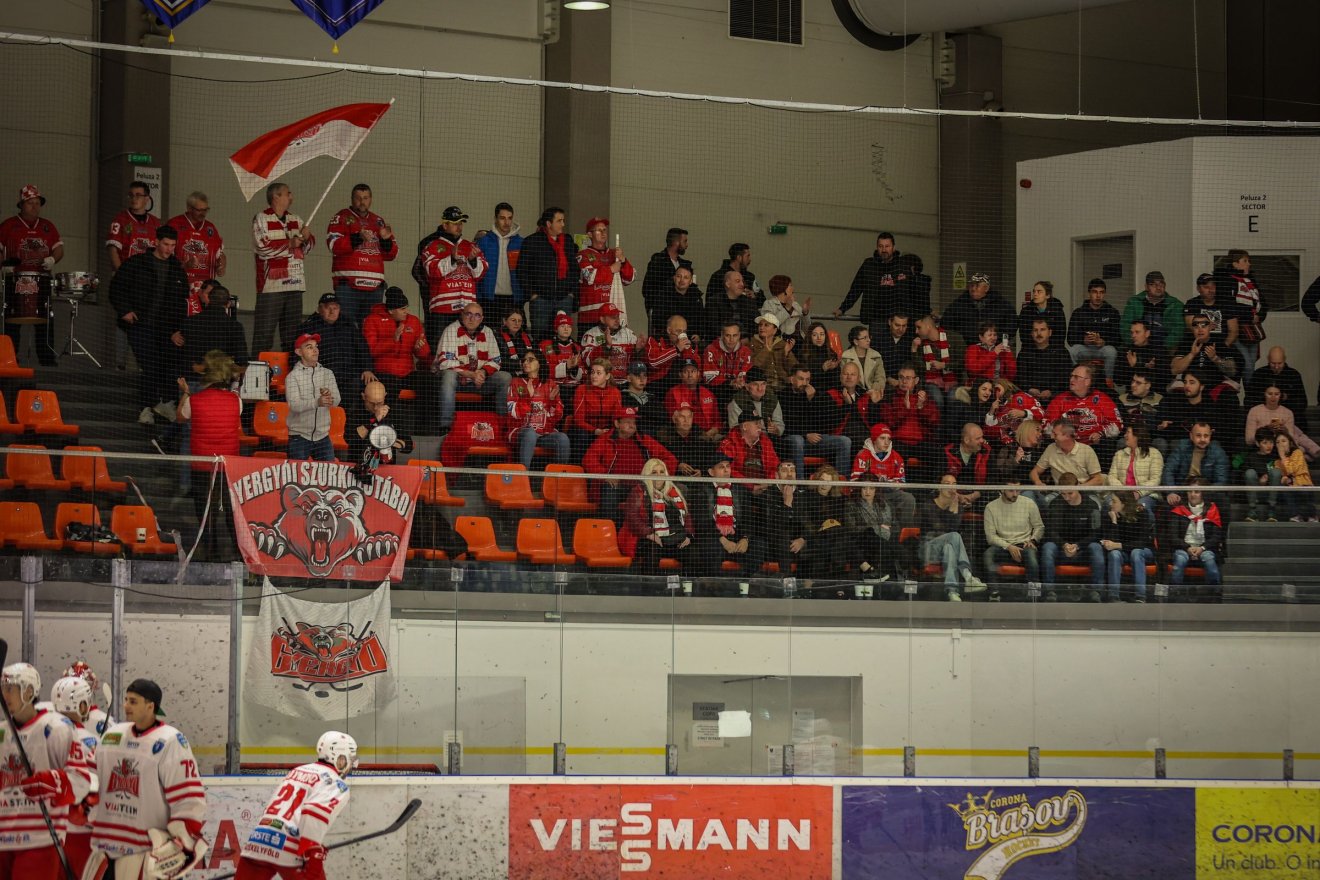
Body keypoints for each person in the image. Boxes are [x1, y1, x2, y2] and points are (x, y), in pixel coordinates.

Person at [87, 678, 207, 880]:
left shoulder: (171, 741)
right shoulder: (111, 735)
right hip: (105, 852)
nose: (126, 705)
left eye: (133, 701)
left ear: (150, 706)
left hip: (144, 855)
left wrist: (181, 843)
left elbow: (189, 799)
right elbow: (90, 781)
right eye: (126, 700)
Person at [0, 663, 94, 880]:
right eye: (3, 688)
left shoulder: (57, 728)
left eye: (11, 688)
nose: (5, 694)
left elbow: (81, 781)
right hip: (3, 838)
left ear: (29, 691)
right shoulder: (2, 732)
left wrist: (54, 782)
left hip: (40, 839)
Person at [235, 732, 357, 880]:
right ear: (339, 758)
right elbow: (312, 813)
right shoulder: (337, 784)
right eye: (349, 758)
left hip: (259, 840)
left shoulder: (297, 770)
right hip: (290, 848)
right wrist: (312, 849)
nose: (351, 764)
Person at [109, 224, 192, 424]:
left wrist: (175, 330)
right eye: (165, 244)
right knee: (150, 364)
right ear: (156, 242)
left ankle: (163, 404)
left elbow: (181, 304)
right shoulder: (137, 263)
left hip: (165, 329)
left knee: (167, 365)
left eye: (173, 245)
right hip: (140, 324)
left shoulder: (177, 270)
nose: (169, 249)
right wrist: (125, 311)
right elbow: (116, 288)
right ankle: (148, 407)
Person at [175, 351, 242, 558]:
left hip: (202, 466)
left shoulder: (194, 400)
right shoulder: (236, 400)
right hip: (228, 466)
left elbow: (180, 418)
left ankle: (212, 556)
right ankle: (240, 555)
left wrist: (186, 392)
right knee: (231, 513)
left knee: (206, 513)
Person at [1, 184, 63, 365]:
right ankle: (10, 359)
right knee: (11, 320)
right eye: (30, 203)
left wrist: (52, 259)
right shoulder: (8, 226)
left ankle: (46, 359)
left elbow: (59, 250)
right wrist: (3, 266)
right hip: (15, 279)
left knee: (45, 321)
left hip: (41, 279)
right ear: (21, 204)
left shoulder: (47, 226)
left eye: (38, 203)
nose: (35, 206)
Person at [252, 181, 314, 354]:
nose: (291, 196)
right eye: (288, 193)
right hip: (271, 287)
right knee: (264, 335)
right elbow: (262, 247)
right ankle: (257, 374)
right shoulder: (261, 218)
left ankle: (290, 376)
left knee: (293, 336)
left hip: (295, 284)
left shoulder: (296, 219)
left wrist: (307, 239)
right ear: (275, 196)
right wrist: (290, 243)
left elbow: (308, 247)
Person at [48, 675, 100, 878]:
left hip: (46, 832)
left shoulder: (41, 735)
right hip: (81, 834)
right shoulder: (93, 742)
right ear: (84, 706)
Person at [583, 407, 676, 517]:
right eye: (627, 422)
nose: (632, 425)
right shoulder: (605, 439)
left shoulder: (644, 440)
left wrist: (657, 477)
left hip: (641, 486)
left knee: (676, 489)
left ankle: (660, 530)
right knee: (609, 488)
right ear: (617, 423)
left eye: (633, 422)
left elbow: (670, 459)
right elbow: (588, 459)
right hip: (617, 487)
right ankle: (608, 529)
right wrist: (606, 475)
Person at [326, 182, 397, 326]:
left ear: (371, 199)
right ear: (352, 198)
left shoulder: (378, 221)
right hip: (348, 287)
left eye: (365, 198)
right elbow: (333, 245)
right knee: (346, 328)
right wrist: (358, 237)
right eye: (358, 198)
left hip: (374, 287)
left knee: (370, 329)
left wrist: (385, 240)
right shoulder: (341, 217)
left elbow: (392, 254)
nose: (362, 201)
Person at [432, 303, 509, 433]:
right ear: (462, 315)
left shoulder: (488, 332)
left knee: (505, 377)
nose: (472, 319)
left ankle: (502, 424)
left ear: (482, 318)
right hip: (456, 382)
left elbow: (496, 360)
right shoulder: (451, 330)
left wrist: (482, 372)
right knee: (449, 375)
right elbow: (444, 362)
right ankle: (446, 426)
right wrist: (470, 374)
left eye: (477, 315)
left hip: (479, 382)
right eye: (469, 314)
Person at [416, 206, 488, 343]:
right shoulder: (432, 245)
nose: (459, 227)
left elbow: (481, 273)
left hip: (467, 310)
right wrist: (452, 258)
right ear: (445, 225)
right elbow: (431, 270)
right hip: (442, 310)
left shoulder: (469, 245)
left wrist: (472, 260)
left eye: (461, 223)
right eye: (455, 223)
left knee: (465, 349)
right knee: (441, 350)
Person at [362, 287, 429, 426]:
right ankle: (386, 424)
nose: (407, 311)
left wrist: (420, 347)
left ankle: (425, 427)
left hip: (407, 372)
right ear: (391, 310)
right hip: (383, 373)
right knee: (392, 385)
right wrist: (393, 339)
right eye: (402, 309)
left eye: (406, 308)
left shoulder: (414, 321)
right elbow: (369, 350)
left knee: (429, 382)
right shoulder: (372, 320)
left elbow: (424, 354)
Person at [918, 474, 989, 600]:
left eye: (954, 484)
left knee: (949, 549)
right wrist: (951, 512)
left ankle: (952, 592)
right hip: (928, 550)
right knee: (954, 537)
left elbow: (952, 535)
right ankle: (968, 576)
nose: (951, 487)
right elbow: (939, 529)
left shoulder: (957, 507)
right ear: (939, 487)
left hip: (945, 551)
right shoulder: (928, 505)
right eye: (947, 484)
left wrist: (955, 510)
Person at [836, 232, 924, 332]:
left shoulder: (903, 266)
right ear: (877, 247)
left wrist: (926, 312)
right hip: (876, 319)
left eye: (887, 246)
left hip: (899, 320)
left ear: (893, 247)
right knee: (876, 347)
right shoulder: (868, 265)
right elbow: (855, 289)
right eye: (881, 246)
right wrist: (842, 309)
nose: (884, 250)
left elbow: (915, 292)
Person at [622, 458, 696, 573]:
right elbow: (632, 517)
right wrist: (649, 534)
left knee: (693, 554)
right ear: (647, 474)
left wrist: (688, 535)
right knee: (651, 552)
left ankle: (687, 587)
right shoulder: (638, 491)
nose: (659, 475)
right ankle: (651, 589)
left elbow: (686, 515)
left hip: (675, 537)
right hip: (649, 538)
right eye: (654, 472)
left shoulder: (675, 491)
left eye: (662, 472)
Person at [517, 206, 579, 339]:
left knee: (564, 336)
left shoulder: (567, 241)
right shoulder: (532, 241)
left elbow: (574, 269)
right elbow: (522, 270)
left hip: (564, 298)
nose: (563, 224)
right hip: (541, 300)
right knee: (540, 337)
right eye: (559, 221)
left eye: (563, 220)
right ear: (549, 223)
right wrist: (532, 294)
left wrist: (571, 293)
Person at [1041, 474, 1105, 600]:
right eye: (1063, 494)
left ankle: (1096, 591)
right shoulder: (1055, 504)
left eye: (1070, 493)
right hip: (1061, 550)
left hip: (1083, 550)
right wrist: (1064, 545)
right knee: (1048, 547)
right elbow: (1051, 531)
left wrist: (1078, 545)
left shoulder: (1091, 505)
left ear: (1078, 487)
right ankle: (1049, 591)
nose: (1067, 498)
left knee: (1096, 548)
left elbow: (1096, 533)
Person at [781, 365, 851, 476]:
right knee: (797, 440)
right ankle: (799, 485)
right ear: (791, 379)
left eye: (807, 379)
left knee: (844, 441)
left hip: (813, 441)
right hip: (792, 440)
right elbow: (785, 424)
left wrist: (812, 399)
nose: (804, 383)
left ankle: (842, 486)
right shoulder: (782, 395)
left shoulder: (814, 395)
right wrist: (805, 434)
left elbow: (825, 422)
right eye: (801, 379)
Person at [696, 454, 761, 575]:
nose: (726, 470)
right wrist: (723, 540)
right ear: (711, 472)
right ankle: (714, 587)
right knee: (711, 547)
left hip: (736, 535)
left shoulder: (740, 490)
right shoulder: (702, 491)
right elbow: (702, 521)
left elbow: (749, 519)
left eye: (728, 466)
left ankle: (745, 584)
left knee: (759, 546)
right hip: (714, 536)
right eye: (721, 467)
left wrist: (745, 539)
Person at [295, 291, 374, 389]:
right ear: (319, 309)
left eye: (335, 308)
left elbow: (362, 348)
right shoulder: (309, 327)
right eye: (328, 308)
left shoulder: (349, 324)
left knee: (371, 386)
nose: (332, 312)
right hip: (322, 375)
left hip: (350, 375)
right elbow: (300, 354)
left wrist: (367, 369)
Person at [504, 349, 568, 468]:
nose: (525, 363)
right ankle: (523, 478)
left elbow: (557, 417)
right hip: (520, 433)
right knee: (530, 433)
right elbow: (512, 412)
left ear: (540, 363)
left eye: (531, 360)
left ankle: (557, 481)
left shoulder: (550, 384)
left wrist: (553, 402)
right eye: (524, 360)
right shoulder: (515, 382)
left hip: (543, 433)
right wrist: (528, 397)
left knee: (562, 438)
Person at [166, 190, 226, 313]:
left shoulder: (211, 228)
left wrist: (222, 265)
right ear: (189, 208)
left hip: (206, 289)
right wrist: (184, 265)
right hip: (179, 286)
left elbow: (221, 253)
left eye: (206, 209)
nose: (203, 213)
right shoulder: (174, 224)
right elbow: (163, 256)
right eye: (199, 210)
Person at [1215, 249, 1267, 386]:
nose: (1249, 264)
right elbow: (1228, 306)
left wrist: (1259, 315)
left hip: (1252, 331)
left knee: (1251, 365)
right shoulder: (1226, 281)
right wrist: (1250, 316)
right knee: (1247, 365)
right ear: (1235, 263)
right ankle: (1248, 396)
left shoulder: (1251, 281)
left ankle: (1249, 398)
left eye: (1249, 261)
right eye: (1245, 261)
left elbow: (1264, 303)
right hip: (1236, 332)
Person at [286, 333, 342, 461]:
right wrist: (317, 402)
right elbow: (294, 405)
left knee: (327, 477)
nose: (315, 350)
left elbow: (337, 401)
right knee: (297, 478)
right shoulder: (292, 376)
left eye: (316, 346)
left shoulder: (328, 373)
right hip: (298, 437)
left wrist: (330, 397)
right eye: (309, 347)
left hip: (323, 437)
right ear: (299, 352)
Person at [577, 217, 634, 332]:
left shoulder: (614, 254)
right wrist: (611, 269)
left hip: (612, 317)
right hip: (590, 317)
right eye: (599, 230)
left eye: (605, 230)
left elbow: (629, 279)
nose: (603, 233)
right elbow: (590, 277)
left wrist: (623, 260)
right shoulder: (583, 255)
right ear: (589, 234)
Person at [1043, 364, 1123, 446]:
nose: (1071, 380)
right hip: (1064, 447)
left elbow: (1117, 426)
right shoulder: (1059, 400)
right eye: (1071, 376)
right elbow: (1046, 427)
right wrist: (1062, 433)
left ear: (1087, 381)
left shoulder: (1103, 399)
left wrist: (1101, 433)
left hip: (1095, 448)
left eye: (1076, 377)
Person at [982, 480, 1044, 583]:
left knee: (1032, 559)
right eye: (1011, 491)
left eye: (1018, 490)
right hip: (1003, 546)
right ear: (1002, 489)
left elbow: (1039, 526)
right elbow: (990, 537)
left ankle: (1034, 595)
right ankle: (994, 592)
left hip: (1024, 545)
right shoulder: (990, 507)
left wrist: (1032, 540)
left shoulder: (1029, 503)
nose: (1015, 494)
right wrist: (1009, 546)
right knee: (988, 555)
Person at [1167, 477, 1224, 589]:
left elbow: (1216, 536)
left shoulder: (1212, 510)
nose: (1192, 494)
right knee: (1179, 561)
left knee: (1210, 561)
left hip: (1205, 549)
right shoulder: (1179, 510)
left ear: (1203, 493)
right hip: (1183, 548)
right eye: (1190, 491)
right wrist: (1187, 547)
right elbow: (1172, 536)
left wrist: (1202, 548)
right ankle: (1175, 594)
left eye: (1196, 492)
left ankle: (1214, 594)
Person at [1100, 491, 1157, 603]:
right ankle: (1113, 597)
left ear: (1124, 503)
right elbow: (1111, 543)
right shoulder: (1111, 514)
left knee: (1136, 553)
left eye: (1114, 501)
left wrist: (1117, 545)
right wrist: (1114, 522)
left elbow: (1141, 543)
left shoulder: (1142, 513)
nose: (1111, 504)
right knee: (1114, 554)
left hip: (1144, 552)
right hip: (1124, 552)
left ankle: (1140, 596)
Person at [878, 365, 939, 466]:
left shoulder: (924, 398)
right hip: (898, 442)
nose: (904, 381)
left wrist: (921, 407)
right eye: (901, 377)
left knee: (938, 454)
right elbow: (888, 423)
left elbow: (934, 422)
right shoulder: (890, 397)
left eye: (908, 378)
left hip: (921, 443)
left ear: (916, 380)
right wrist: (905, 409)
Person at [181, 281, 250, 370]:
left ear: (209, 299)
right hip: (221, 380)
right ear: (228, 303)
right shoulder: (235, 327)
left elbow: (184, 356)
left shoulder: (190, 322)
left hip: (191, 378)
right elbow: (242, 360)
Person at [846, 474, 902, 582]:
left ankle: (886, 580)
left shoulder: (885, 504)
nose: (868, 492)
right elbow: (851, 528)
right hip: (861, 541)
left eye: (871, 488)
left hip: (884, 540)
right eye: (864, 488)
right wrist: (876, 527)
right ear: (859, 489)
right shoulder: (851, 504)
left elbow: (896, 526)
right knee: (872, 534)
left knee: (887, 546)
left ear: (876, 489)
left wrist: (886, 529)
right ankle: (892, 582)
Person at [1066, 278, 1122, 384]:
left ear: (1104, 294)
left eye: (1101, 292)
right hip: (1084, 348)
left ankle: (1108, 382)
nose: (1098, 296)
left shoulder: (1112, 312)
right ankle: (1075, 380)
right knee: (1071, 351)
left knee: (1111, 351)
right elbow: (1070, 338)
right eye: (1095, 292)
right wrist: (1084, 340)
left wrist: (1103, 341)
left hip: (1103, 348)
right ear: (1089, 294)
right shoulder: (1079, 312)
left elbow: (1118, 338)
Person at [1162, 422, 1230, 507]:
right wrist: (1171, 492)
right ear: (1191, 436)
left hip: (1206, 491)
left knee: (1223, 500)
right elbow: (1168, 470)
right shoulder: (1181, 447)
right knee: (1167, 504)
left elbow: (1221, 481)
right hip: (1183, 490)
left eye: (1206, 436)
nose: (1202, 439)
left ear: (1210, 436)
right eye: (1198, 435)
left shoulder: (1218, 452)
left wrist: (1203, 493)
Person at [475, 202, 525, 315]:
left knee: (516, 331)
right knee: (489, 331)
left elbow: (527, 271)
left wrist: (524, 295)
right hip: (489, 298)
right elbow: (476, 271)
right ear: (495, 218)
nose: (506, 222)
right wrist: (478, 296)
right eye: (502, 218)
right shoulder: (484, 242)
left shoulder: (521, 243)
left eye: (509, 218)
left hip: (515, 298)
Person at [1244, 384, 1320, 459]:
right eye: (1270, 394)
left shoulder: (1287, 412)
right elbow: (1249, 440)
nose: (1273, 397)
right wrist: (1267, 429)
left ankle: (1306, 452)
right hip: (1264, 445)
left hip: (1283, 443)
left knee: (1296, 432)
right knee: (1298, 436)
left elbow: (1291, 438)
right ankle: (1310, 452)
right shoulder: (1255, 411)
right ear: (1264, 394)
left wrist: (1285, 431)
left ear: (1281, 396)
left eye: (1276, 394)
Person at [641, 227, 694, 335]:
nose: (687, 245)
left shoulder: (685, 264)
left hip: (684, 312)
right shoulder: (658, 262)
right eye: (685, 241)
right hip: (663, 314)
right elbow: (647, 289)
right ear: (676, 242)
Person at [1245, 346, 1309, 434]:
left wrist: (1285, 403)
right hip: (1263, 416)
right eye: (1273, 363)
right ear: (1268, 360)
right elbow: (1249, 400)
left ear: (1284, 359)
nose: (1276, 367)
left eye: (1279, 363)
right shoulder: (1259, 374)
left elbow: (1302, 402)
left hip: (1288, 416)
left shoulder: (1293, 375)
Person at [941, 272, 1015, 348]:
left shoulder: (1002, 305)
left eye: (977, 286)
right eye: (971, 286)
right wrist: (961, 339)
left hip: (995, 349)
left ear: (986, 288)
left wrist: (997, 341)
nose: (973, 289)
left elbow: (1011, 327)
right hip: (967, 349)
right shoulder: (959, 304)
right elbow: (946, 324)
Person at [569, 359, 622, 459]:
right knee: (581, 434)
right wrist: (595, 431)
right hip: (585, 430)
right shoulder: (582, 390)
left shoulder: (615, 393)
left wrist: (608, 431)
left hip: (606, 431)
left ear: (607, 376)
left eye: (598, 373)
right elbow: (578, 420)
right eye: (592, 372)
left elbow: (617, 418)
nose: (594, 376)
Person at [1106, 424, 1164, 516]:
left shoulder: (1154, 454)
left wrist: (1138, 492)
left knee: (1141, 510)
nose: (1125, 436)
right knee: (1107, 505)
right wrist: (1122, 492)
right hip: (1121, 494)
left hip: (1145, 495)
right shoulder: (1119, 454)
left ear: (1137, 436)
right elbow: (1112, 476)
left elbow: (1155, 479)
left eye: (1128, 433)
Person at [1120, 270, 1184, 352]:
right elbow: (1125, 327)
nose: (1158, 287)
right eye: (1153, 284)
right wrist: (1135, 343)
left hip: (1163, 348)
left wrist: (1163, 347)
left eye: (1161, 284)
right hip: (1137, 346)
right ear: (1146, 287)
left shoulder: (1175, 305)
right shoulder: (1134, 302)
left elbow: (1178, 331)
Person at [106, 180, 161, 271]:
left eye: (138, 195)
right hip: (126, 275)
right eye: (131, 195)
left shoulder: (155, 222)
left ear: (147, 198)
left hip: (149, 276)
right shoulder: (120, 219)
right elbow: (112, 250)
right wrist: (121, 274)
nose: (134, 198)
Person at [1031, 421, 1104, 489]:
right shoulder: (1051, 448)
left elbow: (1098, 479)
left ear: (1067, 436)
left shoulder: (1086, 450)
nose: (1052, 437)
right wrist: (1038, 483)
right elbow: (1035, 471)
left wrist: (1078, 488)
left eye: (1055, 434)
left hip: (1084, 492)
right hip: (1059, 493)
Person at [1016, 318, 1072, 404]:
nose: (1039, 333)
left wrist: (1052, 392)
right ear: (1031, 333)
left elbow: (1066, 378)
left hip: (1056, 399)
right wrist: (1029, 389)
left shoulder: (1062, 352)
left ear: (1050, 332)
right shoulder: (1024, 353)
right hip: (1029, 399)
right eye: (1035, 330)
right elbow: (1019, 378)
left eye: (1042, 330)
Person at [580, 303, 639, 386]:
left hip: (626, 383)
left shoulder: (628, 333)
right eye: (613, 317)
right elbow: (588, 362)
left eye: (617, 316)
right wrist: (606, 346)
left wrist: (638, 349)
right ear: (602, 319)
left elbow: (636, 361)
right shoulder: (591, 335)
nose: (617, 320)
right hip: (602, 384)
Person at [665, 359, 723, 440]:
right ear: (680, 375)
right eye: (686, 372)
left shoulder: (708, 393)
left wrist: (711, 432)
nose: (690, 375)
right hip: (688, 437)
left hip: (711, 435)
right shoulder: (673, 393)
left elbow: (718, 421)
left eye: (693, 371)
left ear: (698, 374)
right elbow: (675, 421)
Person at [1182, 272, 1240, 353]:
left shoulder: (1226, 303)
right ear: (1198, 288)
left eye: (1213, 286)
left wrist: (1223, 348)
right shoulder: (1192, 303)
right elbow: (1191, 327)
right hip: (1198, 347)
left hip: (1223, 347)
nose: (1211, 290)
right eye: (1206, 287)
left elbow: (1234, 331)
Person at [657, 402, 719, 476]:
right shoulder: (664, 437)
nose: (686, 420)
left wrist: (702, 472)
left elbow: (712, 460)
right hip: (674, 479)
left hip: (699, 482)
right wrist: (677, 466)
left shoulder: (702, 436)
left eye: (689, 417)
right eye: (682, 416)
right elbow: (658, 461)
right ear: (674, 419)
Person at [650, 265, 706, 346]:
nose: (682, 280)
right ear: (674, 278)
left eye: (686, 277)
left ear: (690, 281)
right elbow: (657, 320)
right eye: (679, 276)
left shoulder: (696, 298)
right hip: (667, 341)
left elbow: (701, 321)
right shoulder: (663, 295)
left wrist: (699, 335)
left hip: (690, 341)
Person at [702, 320, 752, 404]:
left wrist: (739, 381)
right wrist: (730, 382)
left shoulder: (746, 351)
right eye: (728, 335)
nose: (731, 339)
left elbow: (746, 374)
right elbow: (709, 379)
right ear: (722, 335)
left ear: (739, 335)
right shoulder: (710, 349)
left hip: (739, 392)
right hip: (717, 392)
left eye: (735, 335)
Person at [911, 313, 957, 406]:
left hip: (954, 380)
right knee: (937, 399)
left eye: (919, 327)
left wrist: (944, 365)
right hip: (931, 382)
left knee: (952, 398)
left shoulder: (953, 338)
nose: (916, 331)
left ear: (928, 326)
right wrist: (914, 350)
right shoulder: (920, 343)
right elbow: (920, 369)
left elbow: (962, 363)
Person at [1115, 318, 1172, 392]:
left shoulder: (1160, 351)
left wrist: (1138, 366)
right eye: (1132, 332)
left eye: (1137, 332)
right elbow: (1118, 381)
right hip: (1132, 395)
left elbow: (1167, 379)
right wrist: (1130, 367)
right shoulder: (1126, 351)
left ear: (1147, 333)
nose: (1133, 335)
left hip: (1155, 394)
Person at [540, 311, 584, 406]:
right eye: (562, 326)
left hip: (574, 387)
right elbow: (544, 370)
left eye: (569, 326)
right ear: (556, 329)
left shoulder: (577, 347)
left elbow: (582, 371)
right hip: (554, 387)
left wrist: (575, 368)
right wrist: (566, 367)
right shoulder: (546, 345)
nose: (566, 329)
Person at [726, 367, 784, 438]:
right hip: (747, 441)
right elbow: (734, 429)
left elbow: (779, 423)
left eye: (763, 384)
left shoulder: (772, 399)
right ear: (747, 386)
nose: (760, 388)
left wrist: (776, 429)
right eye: (755, 384)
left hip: (771, 439)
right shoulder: (737, 401)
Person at [705, 269, 760, 344]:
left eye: (742, 281)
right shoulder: (714, 302)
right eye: (738, 281)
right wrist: (732, 340)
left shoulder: (749, 302)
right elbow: (712, 328)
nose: (742, 284)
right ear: (728, 284)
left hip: (747, 343)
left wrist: (749, 339)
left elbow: (756, 325)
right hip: (722, 344)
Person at [984, 379, 1044, 446]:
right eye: (992, 390)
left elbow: (1041, 413)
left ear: (1004, 384)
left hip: (1028, 440)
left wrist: (1024, 413)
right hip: (1008, 446)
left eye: (996, 387)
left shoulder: (1022, 396)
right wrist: (991, 412)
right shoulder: (997, 406)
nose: (995, 390)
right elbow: (990, 431)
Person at [1241, 427, 1282, 523]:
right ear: (1257, 443)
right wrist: (1258, 482)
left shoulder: (1276, 456)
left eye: (1271, 442)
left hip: (1273, 494)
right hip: (1255, 494)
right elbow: (1244, 476)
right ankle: (1252, 511)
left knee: (1276, 471)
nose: (1269, 446)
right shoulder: (1251, 457)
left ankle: (1272, 511)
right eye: (1265, 443)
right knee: (1249, 473)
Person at [749, 312, 797, 390]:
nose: (761, 327)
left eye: (766, 325)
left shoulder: (783, 345)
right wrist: (765, 351)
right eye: (760, 325)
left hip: (783, 387)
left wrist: (786, 354)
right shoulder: (752, 344)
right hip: (762, 388)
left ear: (775, 330)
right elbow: (752, 368)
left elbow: (794, 369)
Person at [1274, 432, 1316, 522]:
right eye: (1277, 442)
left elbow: (1292, 470)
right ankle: (1296, 516)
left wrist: (1283, 456)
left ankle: (1312, 516)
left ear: (1290, 443)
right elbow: (1283, 477)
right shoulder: (1277, 462)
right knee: (1285, 490)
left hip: (1303, 485)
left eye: (1283, 441)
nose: (1280, 444)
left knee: (1305, 490)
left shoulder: (1298, 453)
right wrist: (1284, 480)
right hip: (1291, 487)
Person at [706, 243, 761, 308]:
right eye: (747, 256)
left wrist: (755, 296)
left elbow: (762, 298)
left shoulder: (750, 277)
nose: (750, 259)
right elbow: (710, 300)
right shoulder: (718, 276)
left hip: (746, 314)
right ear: (739, 257)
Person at [1016, 280, 1067, 350]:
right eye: (1034, 291)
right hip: (1031, 350)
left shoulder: (1057, 310)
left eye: (1039, 291)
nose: (1035, 294)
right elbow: (1024, 336)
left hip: (1053, 350)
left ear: (1047, 295)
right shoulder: (1026, 312)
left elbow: (1061, 335)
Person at [840, 325, 886, 395]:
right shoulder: (846, 357)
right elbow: (844, 380)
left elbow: (880, 378)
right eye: (865, 338)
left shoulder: (876, 356)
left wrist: (873, 390)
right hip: (853, 393)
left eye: (868, 337)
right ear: (856, 341)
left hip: (874, 393)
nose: (869, 340)